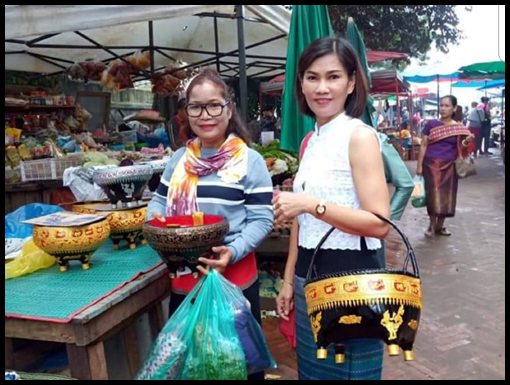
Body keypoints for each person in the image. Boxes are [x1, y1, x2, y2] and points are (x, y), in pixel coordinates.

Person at [273, 36, 390, 381]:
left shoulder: (359, 137)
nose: (322, 88)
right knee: (313, 373)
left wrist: (312, 204)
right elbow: (300, 220)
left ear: (352, 82)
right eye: (312, 77)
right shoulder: (312, 140)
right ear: (301, 84)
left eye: (333, 77)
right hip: (309, 276)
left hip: (350, 281)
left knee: (349, 374)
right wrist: (288, 281)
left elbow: (380, 223)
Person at [147, 69, 274, 380]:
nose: (205, 115)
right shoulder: (179, 160)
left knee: (236, 366)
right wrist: (156, 225)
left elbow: (261, 219)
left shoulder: (249, 161)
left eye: (214, 105)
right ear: (186, 111)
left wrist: (231, 251)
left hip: (233, 284)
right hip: (185, 282)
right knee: (190, 367)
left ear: (228, 109)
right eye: (196, 106)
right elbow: (159, 202)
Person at [417, 96, 475, 238]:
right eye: (441, 105)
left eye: (447, 106)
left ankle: (440, 226)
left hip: (450, 165)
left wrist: (466, 141)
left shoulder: (458, 127)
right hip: (431, 164)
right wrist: (419, 165)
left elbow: (461, 148)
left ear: (454, 108)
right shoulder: (431, 124)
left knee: (447, 195)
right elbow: (423, 145)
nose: (443, 108)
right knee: (432, 195)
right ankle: (431, 225)